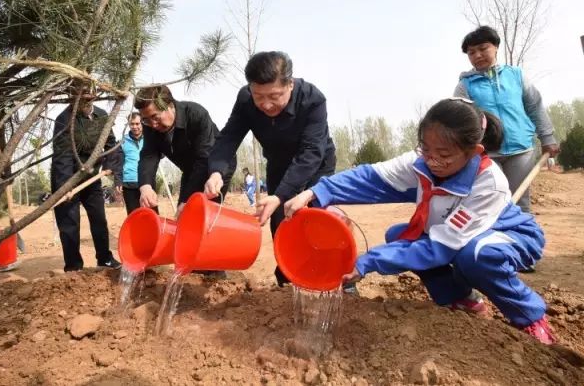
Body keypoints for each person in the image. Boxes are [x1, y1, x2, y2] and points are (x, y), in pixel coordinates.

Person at [284, 98, 554, 345]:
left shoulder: (488, 183)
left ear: (474, 151)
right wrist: (316, 192)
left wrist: (367, 262)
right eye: (426, 149)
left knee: (474, 257)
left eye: (444, 155)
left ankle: (529, 316)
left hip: (507, 234)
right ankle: (460, 299)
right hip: (454, 237)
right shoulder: (419, 163)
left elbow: (440, 247)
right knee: (399, 236)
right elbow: (369, 178)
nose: (432, 161)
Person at [204, 51, 343, 290]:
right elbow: (229, 137)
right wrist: (216, 171)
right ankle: (289, 279)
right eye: (259, 96)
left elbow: (311, 152)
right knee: (281, 222)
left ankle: (339, 277)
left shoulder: (313, 99)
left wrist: (280, 195)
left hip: (316, 164)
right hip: (279, 163)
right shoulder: (246, 99)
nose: (266, 104)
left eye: (274, 96)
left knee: (320, 218)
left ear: (290, 84)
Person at [453, 26, 559, 213]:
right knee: (494, 203)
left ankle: (522, 232)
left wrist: (547, 137)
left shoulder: (516, 75)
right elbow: (460, 122)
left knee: (521, 203)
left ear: (495, 47)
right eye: (471, 52)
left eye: (483, 48)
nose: (477, 55)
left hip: (521, 150)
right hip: (487, 154)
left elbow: (534, 106)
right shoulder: (464, 86)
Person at [51, 79, 122, 272]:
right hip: (68, 177)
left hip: (92, 179)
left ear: (94, 96)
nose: (84, 102)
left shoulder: (102, 115)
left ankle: (104, 258)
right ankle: (73, 266)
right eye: (79, 98)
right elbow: (62, 157)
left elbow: (111, 145)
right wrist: (66, 187)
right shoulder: (64, 120)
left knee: (99, 219)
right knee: (70, 224)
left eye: (88, 98)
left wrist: (109, 167)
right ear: (72, 98)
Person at [134, 85, 236, 217]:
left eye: (155, 117)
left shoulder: (196, 114)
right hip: (190, 170)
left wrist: (187, 200)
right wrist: (145, 186)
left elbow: (204, 158)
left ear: (170, 105)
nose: (153, 124)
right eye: (146, 120)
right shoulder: (149, 127)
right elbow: (148, 155)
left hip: (214, 166)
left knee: (203, 213)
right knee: (183, 213)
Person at [121, 112, 144, 214]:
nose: (135, 127)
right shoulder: (122, 141)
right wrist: (118, 181)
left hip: (146, 181)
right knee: (133, 215)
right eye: (132, 124)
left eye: (137, 124)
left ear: (142, 123)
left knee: (150, 213)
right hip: (129, 182)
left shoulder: (150, 139)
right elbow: (118, 162)